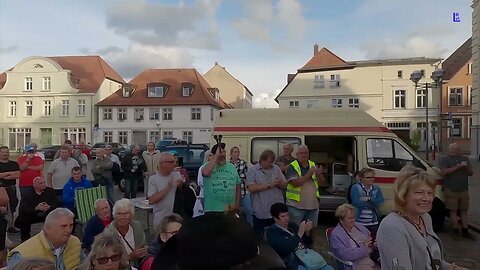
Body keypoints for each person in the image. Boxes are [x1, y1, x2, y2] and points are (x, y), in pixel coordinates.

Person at [377, 166, 467, 270]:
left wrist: (452, 268)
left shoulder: (425, 218)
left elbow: (431, 259)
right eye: (419, 192)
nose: (426, 198)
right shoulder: (392, 227)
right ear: (403, 194)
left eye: (430, 193)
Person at [7, 208, 82, 270]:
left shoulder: (75, 242)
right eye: (63, 226)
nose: (69, 230)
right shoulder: (22, 254)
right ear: (47, 228)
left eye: (71, 225)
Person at [266, 202, 334, 270]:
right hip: (294, 261)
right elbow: (285, 249)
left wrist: (307, 232)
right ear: (275, 218)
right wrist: (299, 234)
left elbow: (308, 243)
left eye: (287, 215)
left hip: (307, 257)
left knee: (329, 268)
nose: (286, 218)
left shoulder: (293, 226)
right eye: (283, 216)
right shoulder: (272, 232)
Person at [246, 149, 287, 237]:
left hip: (276, 212)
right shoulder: (252, 171)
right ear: (262, 160)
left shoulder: (276, 168)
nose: (271, 164)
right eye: (269, 162)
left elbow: (285, 185)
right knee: (260, 238)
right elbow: (251, 188)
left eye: (272, 162)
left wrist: (280, 183)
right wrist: (269, 185)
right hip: (260, 211)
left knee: (277, 237)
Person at [439, 143, 476, 240]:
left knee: (464, 210)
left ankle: (465, 230)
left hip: (463, 189)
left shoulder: (465, 158)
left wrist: (466, 167)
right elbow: (444, 172)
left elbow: (471, 173)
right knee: (453, 210)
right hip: (451, 189)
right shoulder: (445, 159)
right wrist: (458, 167)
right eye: (454, 149)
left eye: (457, 149)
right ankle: (455, 230)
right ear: (450, 150)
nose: (456, 151)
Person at [329, 204, 380, 270]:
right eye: (349, 218)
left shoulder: (359, 227)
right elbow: (344, 254)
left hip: (371, 258)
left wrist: (374, 245)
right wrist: (364, 249)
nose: (353, 220)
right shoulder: (336, 235)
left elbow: (370, 240)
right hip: (355, 263)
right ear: (341, 220)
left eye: (353, 217)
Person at [285, 145, 326, 227]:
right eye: (301, 153)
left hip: (313, 207)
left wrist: (319, 174)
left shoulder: (313, 165)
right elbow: (295, 183)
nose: (303, 155)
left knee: (310, 233)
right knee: (296, 231)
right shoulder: (292, 166)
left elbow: (322, 184)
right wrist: (309, 174)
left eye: (305, 153)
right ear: (297, 154)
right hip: (296, 207)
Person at [103, 199, 147, 268]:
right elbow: (108, 260)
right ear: (114, 216)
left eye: (126, 213)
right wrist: (130, 256)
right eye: (119, 214)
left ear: (131, 215)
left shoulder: (137, 227)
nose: (123, 217)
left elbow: (144, 245)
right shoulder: (109, 234)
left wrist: (144, 250)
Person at [201, 143, 241, 215]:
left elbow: (238, 185)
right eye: (220, 152)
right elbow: (205, 173)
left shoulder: (231, 167)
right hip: (213, 210)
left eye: (224, 152)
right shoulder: (207, 166)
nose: (222, 155)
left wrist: (237, 204)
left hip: (229, 209)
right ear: (214, 155)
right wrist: (216, 156)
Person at [15, 176, 58, 242]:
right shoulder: (27, 194)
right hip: (33, 214)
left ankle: (54, 236)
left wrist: (49, 207)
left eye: (44, 182)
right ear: (34, 185)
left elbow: (56, 203)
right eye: (41, 183)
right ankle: (25, 239)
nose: (44, 184)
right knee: (23, 218)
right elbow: (23, 209)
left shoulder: (50, 191)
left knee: (57, 214)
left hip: (48, 212)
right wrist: (36, 208)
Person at [147, 152, 183, 227]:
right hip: (161, 219)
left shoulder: (177, 174)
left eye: (175, 161)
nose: (175, 164)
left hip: (176, 218)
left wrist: (181, 185)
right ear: (163, 164)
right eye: (172, 162)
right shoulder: (153, 179)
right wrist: (168, 188)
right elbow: (151, 200)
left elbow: (182, 193)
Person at [0, 146, 20, 266]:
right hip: (1, 190)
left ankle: (10, 226)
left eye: (7, 152)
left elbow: (17, 175)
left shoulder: (14, 163)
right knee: (3, 210)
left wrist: (3, 175)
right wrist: (8, 174)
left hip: (11, 188)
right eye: (3, 152)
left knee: (13, 208)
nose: (5, 154)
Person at [350, 168, 384, 233]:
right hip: (358, 222)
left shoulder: (376, 189)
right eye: (368, 177)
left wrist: (369, 199)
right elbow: (356, 203)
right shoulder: (355, 187)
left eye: (372, 177)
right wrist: (373, 203)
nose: (371, 179)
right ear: (362, 178)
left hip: (373, 222)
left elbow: (380, 202)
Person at [229, 146, 252, 225]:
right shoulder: (228, 164)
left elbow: (247, 175)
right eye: (235, 152)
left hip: (243, 191)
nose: (237, 153)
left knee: (248, 210)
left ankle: (250, 227)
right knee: (233, 211)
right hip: (232, 192)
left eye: (238, 152)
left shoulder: (243, 163)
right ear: (231, 154)